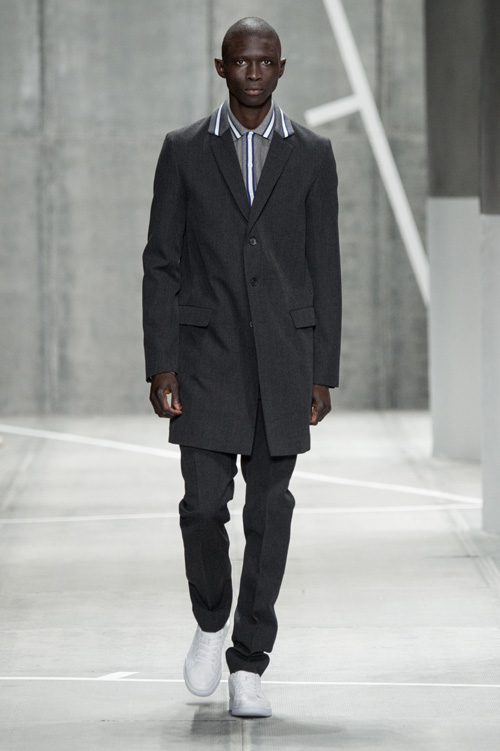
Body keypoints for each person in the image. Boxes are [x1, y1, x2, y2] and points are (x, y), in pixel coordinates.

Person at [142, 16, 341, 718]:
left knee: (268, 513)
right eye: (241, 62)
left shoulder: (312, 154)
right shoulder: (184, 150)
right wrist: (161, 362)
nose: (253, 72)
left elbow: (324, 265)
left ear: (280, 69)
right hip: (205, 359)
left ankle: (249, 660)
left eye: (265, 62)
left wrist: (322, 370)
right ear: (221, 67)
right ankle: (210, 619)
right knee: (202, 506)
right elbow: (161, 262)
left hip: (284, 361)